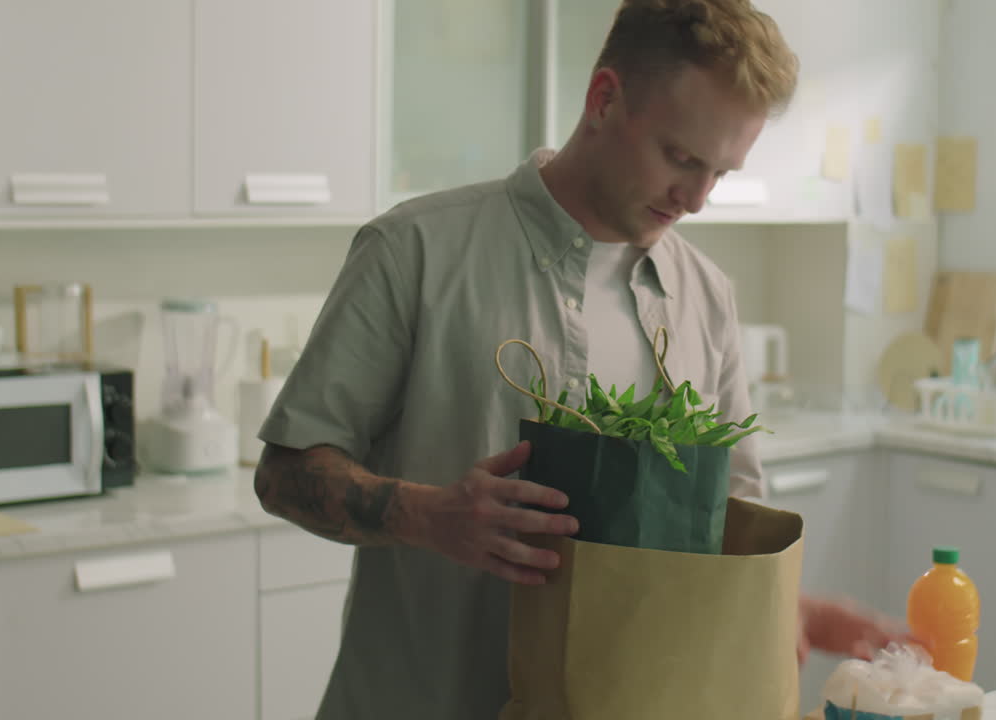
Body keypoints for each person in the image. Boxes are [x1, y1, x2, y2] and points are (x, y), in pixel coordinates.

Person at [255, 1, 910, 716]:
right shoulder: (413, 251)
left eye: (720, 173)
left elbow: (727, 524)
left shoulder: (706, 298)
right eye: (681, 157)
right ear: (604, 99)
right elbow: (283, 472)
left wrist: (786, 606)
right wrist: (429, 515)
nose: (696, 199)